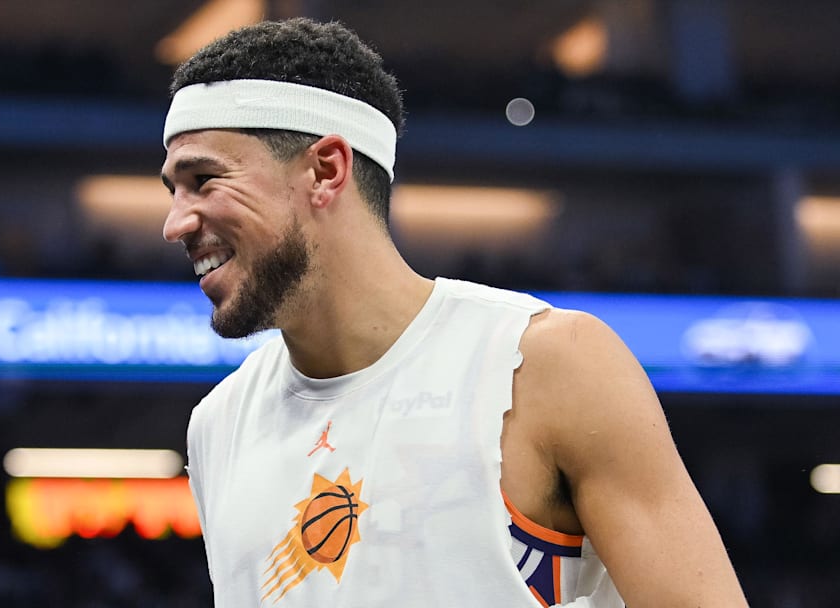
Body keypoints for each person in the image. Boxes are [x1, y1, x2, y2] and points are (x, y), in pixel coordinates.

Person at [160, 17, 747, 607]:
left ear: (326, 170)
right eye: (173, 191)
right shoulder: (217, 424)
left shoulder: (544, 363)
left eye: (204, 180)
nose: (175, 223)